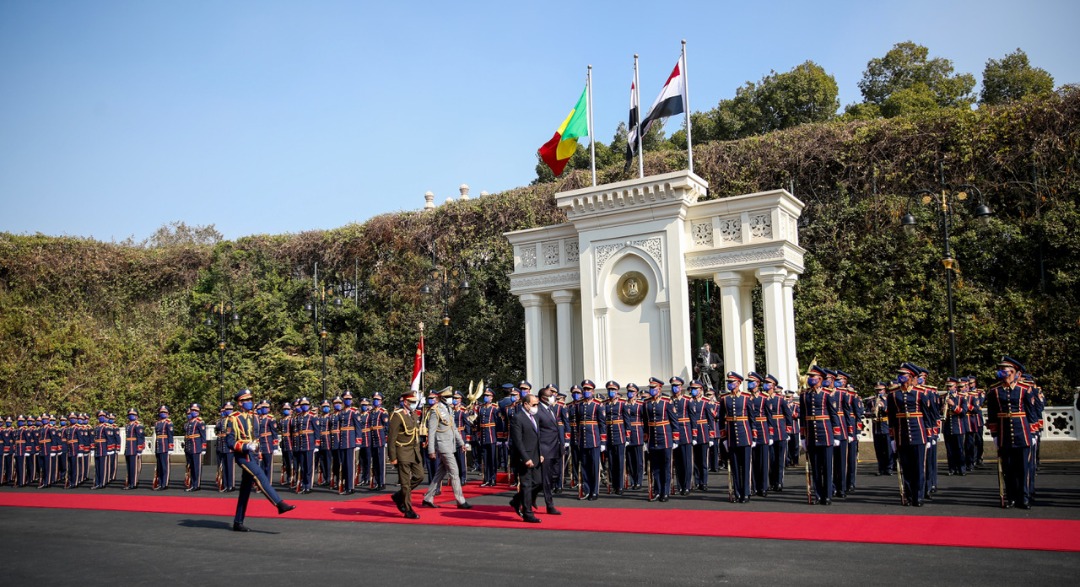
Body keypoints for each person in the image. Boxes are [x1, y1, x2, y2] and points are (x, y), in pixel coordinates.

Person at [221, 389, 295, 531]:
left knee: (245, 490)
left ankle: (238, 521)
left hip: (253, 455)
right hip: (243, 455)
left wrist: (257, 450)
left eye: (250, 400)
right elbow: (229, 442)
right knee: (260, 476)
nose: (249, 402)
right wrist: (246, 446)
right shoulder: (233, 418)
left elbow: (257, 436)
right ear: (240, 403)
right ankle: (279, 503)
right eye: (246, 400)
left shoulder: (255, 417)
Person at [986, 356, 1038, 509]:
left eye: (1006, 370)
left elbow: (1031, 412)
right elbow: (992, 414)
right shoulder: (994, 391)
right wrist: (995, 435)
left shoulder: (1025, 389)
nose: (1002, 372)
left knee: (1023, 468)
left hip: (1022, 432)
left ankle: (1024, 497)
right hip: (1004, 434)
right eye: (1001, 370)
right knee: (1008, 468)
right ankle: (1011, 497)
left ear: (1014, 372)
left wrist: (1033, 432)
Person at [887, 363, 933, 507]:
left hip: (918, 433)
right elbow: (892, 418)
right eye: (900, 374)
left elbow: (927, 416)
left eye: (904, 375)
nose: (901, 377)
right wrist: (893, 437)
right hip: (902, 435)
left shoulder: (920, 393)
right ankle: (908, 495)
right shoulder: (894, 395)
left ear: (911, 377)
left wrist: (930, 436)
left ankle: (918, 496)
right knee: (905, 468)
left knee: (918, 467)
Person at [420, 387, 472, 509]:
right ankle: (460, 500)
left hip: (451, 445)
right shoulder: (435, 411)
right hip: (443, 446)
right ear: (442, 397)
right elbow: (431, 432)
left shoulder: (448, 409)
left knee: (439, 473)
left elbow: (454, 428)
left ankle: (428, 497)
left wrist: (462, 443)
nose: (451, 399)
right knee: (454, 472)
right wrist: (431, 450)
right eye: (448, 397)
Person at [801, 366, 841, 505]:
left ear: (820, 379)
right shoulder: (805, 395)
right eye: (810, 376)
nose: (811, 379)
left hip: (826, 434)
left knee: (827, 467)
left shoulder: (827, 394)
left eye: (814, 377)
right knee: (816, 468)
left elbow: (834, 415)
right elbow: (802, 416)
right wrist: (803, 437)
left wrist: (836, 435)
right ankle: (818, 494)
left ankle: (828, 495)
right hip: (812, 436)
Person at [388, 390, 423, 519]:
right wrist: (392, 457)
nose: (414, 404)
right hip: (402, 452)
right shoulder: (397, 415)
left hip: (414, 452)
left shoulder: (414, 414)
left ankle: (399, 496)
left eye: (415, 402)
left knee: (419, 476)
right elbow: (392, 438)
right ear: (405, 402)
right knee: (405, 484)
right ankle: (408, 509)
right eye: (412, 402)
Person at [719, 372, 753, 503]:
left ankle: (746, 492)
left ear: (739, 383)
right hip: (732, 436)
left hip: (745, 435)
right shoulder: (725, 399)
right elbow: (721, 420)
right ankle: (737, 492)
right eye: (729, 382)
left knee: (745, 467)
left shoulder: (746, 398)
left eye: (732, 382)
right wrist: (724, 438)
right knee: (734, 467)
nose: (730, 384)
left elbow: (752, 419)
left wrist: (753, 436)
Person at [509, 392, 543, 523]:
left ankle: (516, 500)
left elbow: (537, 437)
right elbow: (517, 441)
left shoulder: (535, 416)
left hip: (535, 455)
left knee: (538, 482)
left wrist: (540, 453)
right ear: (526, 404)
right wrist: (525, 457)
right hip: (524, 457)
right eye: (534, 404)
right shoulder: (518, 418)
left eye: (537, 404)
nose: (536, 407)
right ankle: (527, 513)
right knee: (527, 484)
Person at [643, 377, 672, 501]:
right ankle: (657, 491)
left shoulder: (666, 402)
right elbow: (645, 421)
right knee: (655, 467)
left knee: (665, 467)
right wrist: (646, 438)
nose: (652, 390)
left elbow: (674, 421)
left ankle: (665, 492)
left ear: (659, 389)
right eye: (650, 388)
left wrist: (675, 438)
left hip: (664, 437)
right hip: (653, 439)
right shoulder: (646, 403)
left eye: (654, 388)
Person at [535, 384, 563, 514]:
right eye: (550, 396)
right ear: (543, 398)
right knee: (545, 479)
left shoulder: (551, 409)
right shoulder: (538, 411)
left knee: (555, 476)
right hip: (545, 449)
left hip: (555, 447)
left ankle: (529, 496)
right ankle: (549, 505)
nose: (553, 397)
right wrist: (539, 451)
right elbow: (537, 433)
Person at [475, 388, 499, 486]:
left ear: (492, 397)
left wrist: (499, 437)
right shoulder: (481, 408)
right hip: (483, 436)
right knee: (485, 459)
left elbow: (498, 423)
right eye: (485, 395)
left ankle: (493, 478)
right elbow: (478, 422)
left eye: (488, 395)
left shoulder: (494, 408)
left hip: (491, 436)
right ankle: (486, 479)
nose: (486, 397)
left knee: (492, 459)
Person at [870, 383, 893, 476]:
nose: (879, 392)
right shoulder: (872, 400)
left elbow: (891, 411)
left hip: (885, 426)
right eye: (877, 390)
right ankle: (881, 468)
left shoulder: (888, 399)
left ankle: (889, 467)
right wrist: (872, 410)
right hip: (877, 427)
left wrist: (883, 407)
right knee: (879, 449)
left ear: (884, 390)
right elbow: (867, 412)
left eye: (881, 390)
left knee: (888, 449)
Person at [183, 404, 206, 492]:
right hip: (189, 447)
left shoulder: (200, 422)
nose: (194, 412)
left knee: (196, 467)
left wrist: (203, 447)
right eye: (193, 410)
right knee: (191, 467)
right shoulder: (189, 422)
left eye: (196, 411)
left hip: (196, 447)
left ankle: (197, 485)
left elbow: (203, 436)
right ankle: (192, 483)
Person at [152, 406, 173, 490]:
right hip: (158, 446)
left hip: (165, 446)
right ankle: (160, 483)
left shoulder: (168, 423)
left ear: (168, 413)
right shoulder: (157, 423)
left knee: (164, 466)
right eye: (161, 412)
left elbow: (170, 436)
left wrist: (170, 447)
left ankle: (165, 483)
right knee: (159, 466)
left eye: (165, 412)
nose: (163, 413)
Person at [123, 408, 145, 490]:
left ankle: (134, 483)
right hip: (128, 448)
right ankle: (129, 482)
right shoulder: (128, 425)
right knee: (129, 467)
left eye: (133, 414)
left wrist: (139, 449)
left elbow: (140, 438)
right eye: (130, 415)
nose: (131, 416)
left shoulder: (138, 425)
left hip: (134, 448)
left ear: (137, 416)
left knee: (134, 467)